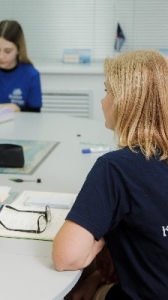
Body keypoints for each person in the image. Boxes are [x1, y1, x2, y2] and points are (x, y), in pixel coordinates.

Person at [52, 50, 168, 299]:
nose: (103, 101)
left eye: (107, 91)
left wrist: (101, 239)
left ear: (126, 101)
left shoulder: (116, 168)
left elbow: (66, 258)